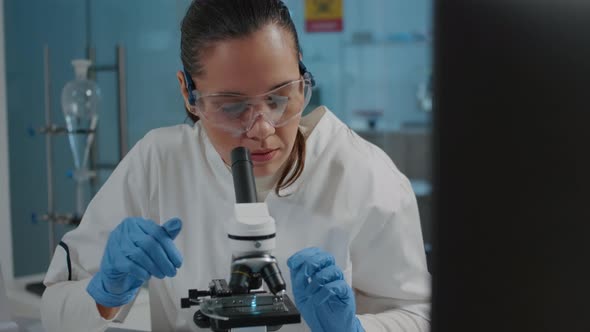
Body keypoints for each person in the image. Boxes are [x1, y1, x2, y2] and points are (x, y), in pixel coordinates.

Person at [41, 0, 431, 331]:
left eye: (279, 98)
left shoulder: (362, 173)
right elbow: (53, 308)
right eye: (231, 107)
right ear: (188, 94)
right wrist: (105, 294)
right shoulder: (158, 164)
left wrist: (354, 329)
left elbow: (419, 313)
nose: (261, 129)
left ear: (300, 75)